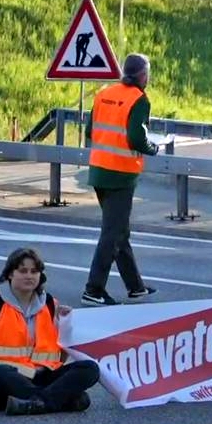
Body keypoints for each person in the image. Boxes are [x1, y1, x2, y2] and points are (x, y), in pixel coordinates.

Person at [0, 247, 100, 416]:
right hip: (4, 380)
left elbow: (62, 352)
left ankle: (36, 403)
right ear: (10, 274)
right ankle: (52, 400)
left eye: (34, 271)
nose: (29, 276)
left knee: (90, 368)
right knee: (1, 372)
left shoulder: (50, 304)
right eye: (23, 271)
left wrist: (66, 324)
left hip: (40, 376)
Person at [81, 53, 160, 306]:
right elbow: (137, 138)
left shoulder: (104, 93)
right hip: (122, 174)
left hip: (99, 170)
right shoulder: (139, 99)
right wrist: (153, 147)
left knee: (119, 230)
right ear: (143, 75)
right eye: (147, 74)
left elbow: (90, 131)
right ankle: (93, 289)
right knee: (112, 233)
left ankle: (135, 286)